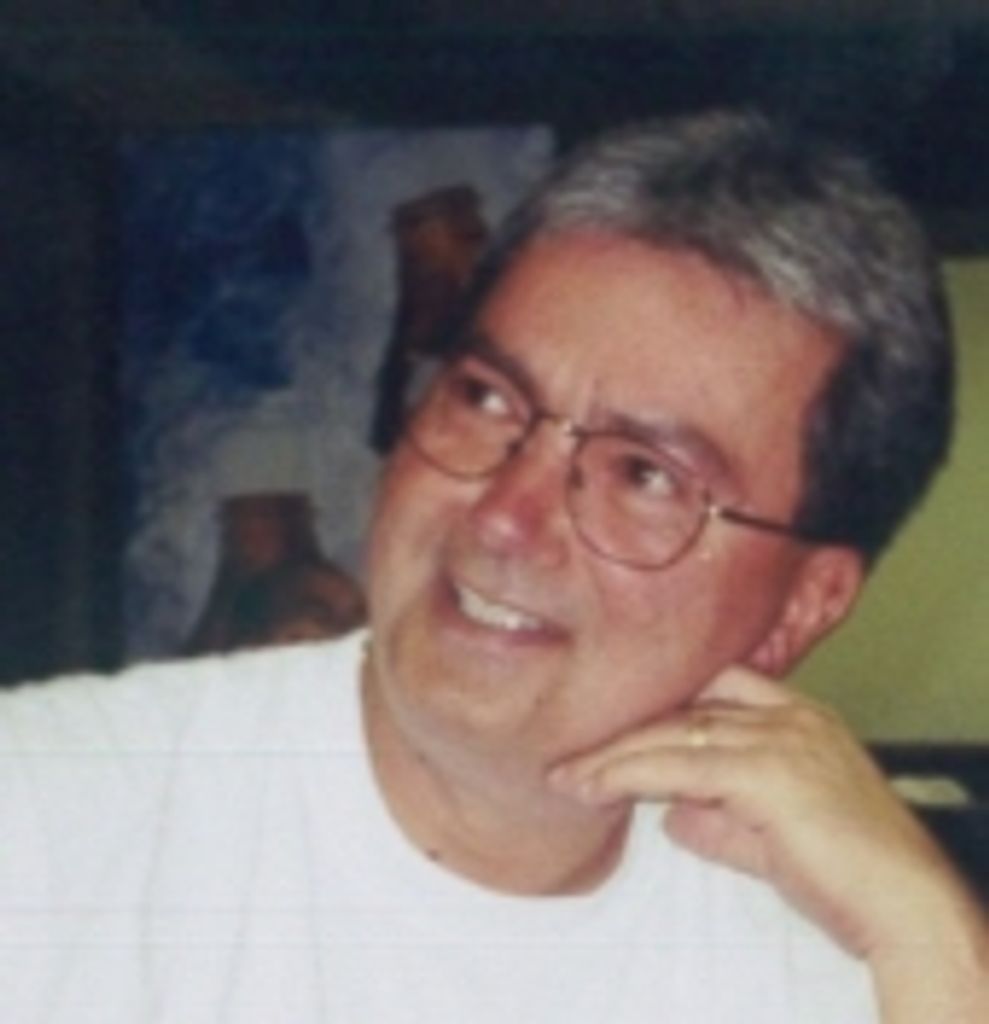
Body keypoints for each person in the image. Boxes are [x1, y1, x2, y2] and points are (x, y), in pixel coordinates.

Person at [1, 110, 986, 1022]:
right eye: (484, 398)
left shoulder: (846, 968)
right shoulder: (51, 822)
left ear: (799, 608)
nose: (507, 516)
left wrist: (937, 943)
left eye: (643, 475)